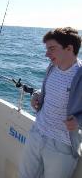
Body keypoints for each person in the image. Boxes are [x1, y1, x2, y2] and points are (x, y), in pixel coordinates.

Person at [19, 27, 82, 178]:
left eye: (51, 49)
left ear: (69, 48)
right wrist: (37, 95)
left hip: (62, 144)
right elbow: (49, 92)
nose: (47, 54)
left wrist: (79, 121)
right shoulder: (52, 67)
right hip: (37, 133)